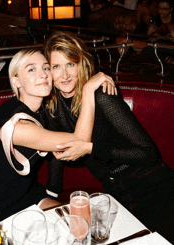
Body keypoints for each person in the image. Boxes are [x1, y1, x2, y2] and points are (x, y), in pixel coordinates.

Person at [43, 31, 174, 243]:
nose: (64, 75)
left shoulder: (101, 95)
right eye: (56, 67)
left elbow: (148, 153)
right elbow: (57, 151)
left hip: (151, 186)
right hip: (116, 192)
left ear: (82, 65)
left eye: (71, 64)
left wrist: (91, 148)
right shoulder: (53, 104)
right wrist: (52, 195)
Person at [0, 48, 115, 222]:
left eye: (46, 68)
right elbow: (80, 141)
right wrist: (89, 90)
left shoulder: (33, 108)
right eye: (31, 69)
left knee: (78, 224)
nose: (43, 74)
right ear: (16, 80)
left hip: (27, 193)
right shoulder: (18, 127)